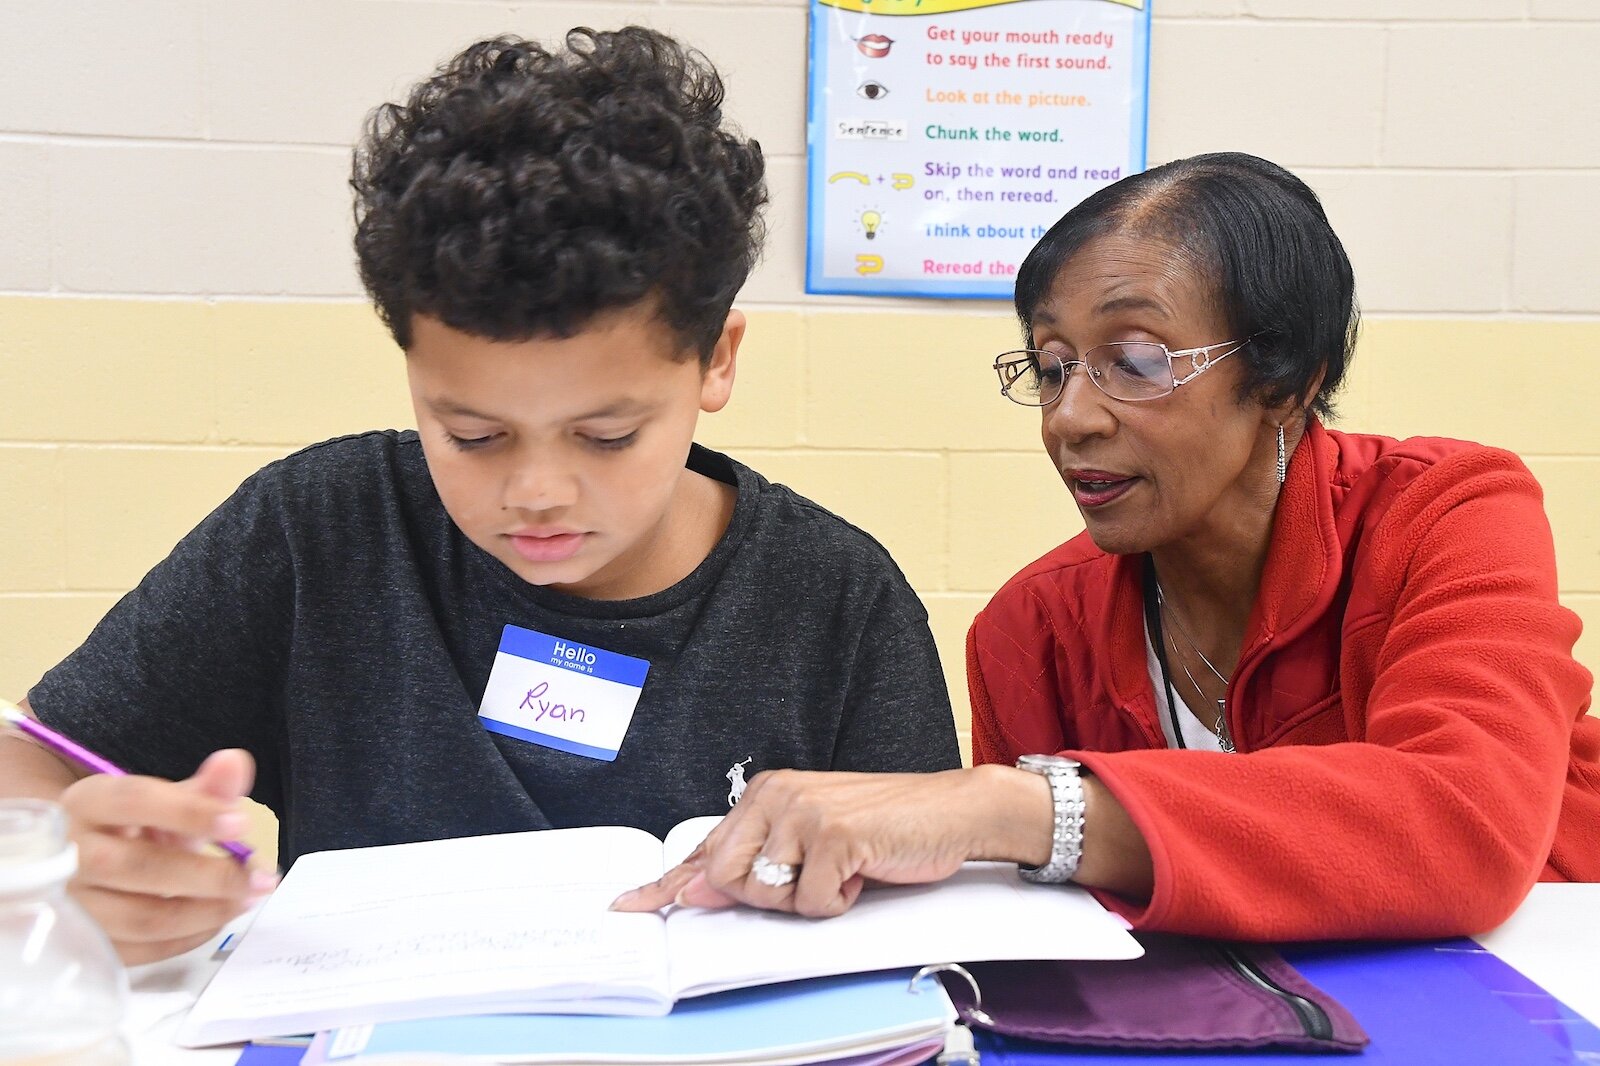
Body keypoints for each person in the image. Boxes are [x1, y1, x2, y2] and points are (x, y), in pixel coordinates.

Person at [0, 27, 958, 964]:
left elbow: (924, 913)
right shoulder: (316, 528)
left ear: (717, 360)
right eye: (473, 436)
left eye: (607, 436)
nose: (536, 493)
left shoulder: (838, 599)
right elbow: (28, 767)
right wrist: (64, 854)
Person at [617, 152, 1600, 941]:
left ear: (1289, 376)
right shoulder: (1031, 627)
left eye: (1133, 361)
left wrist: (1016, 807)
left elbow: (1460, 824)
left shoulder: (1444, 513)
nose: (1069, 417)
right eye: (1049, 366)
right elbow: (1032, 932)